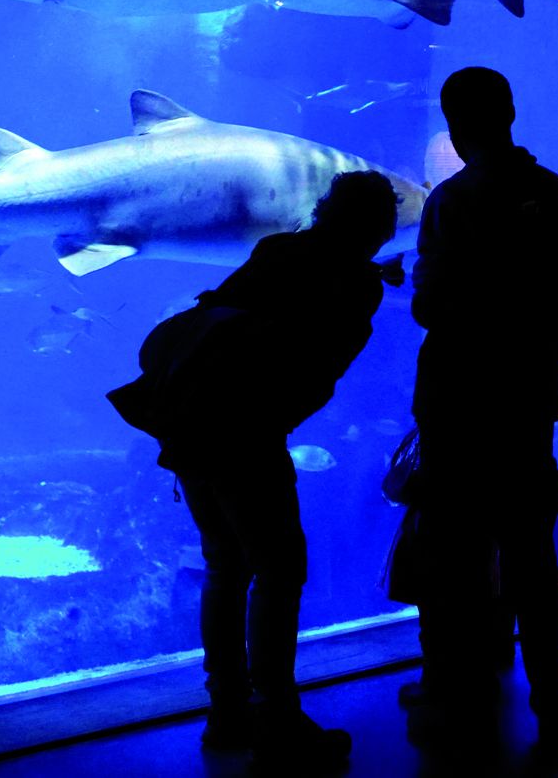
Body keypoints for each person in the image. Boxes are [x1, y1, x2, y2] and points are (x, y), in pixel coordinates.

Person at [158, 170, 402, 771]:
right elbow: (316, 360)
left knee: (225, 566)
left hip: (192, 423)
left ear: (322, 209)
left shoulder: (277, 251)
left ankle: (227, 712)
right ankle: (279, 719)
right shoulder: (356, 285)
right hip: (246, 434)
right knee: (279, 570)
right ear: (377, 228)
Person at [403, 66, 558, 753]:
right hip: (528, 405)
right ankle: (555, 699)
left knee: (447, 558)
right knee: (530, 559)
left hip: (458, 407)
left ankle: (445, 694)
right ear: (512, 111)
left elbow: (431, 305)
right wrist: (544, 374)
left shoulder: (452, 202)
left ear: (454, 130)